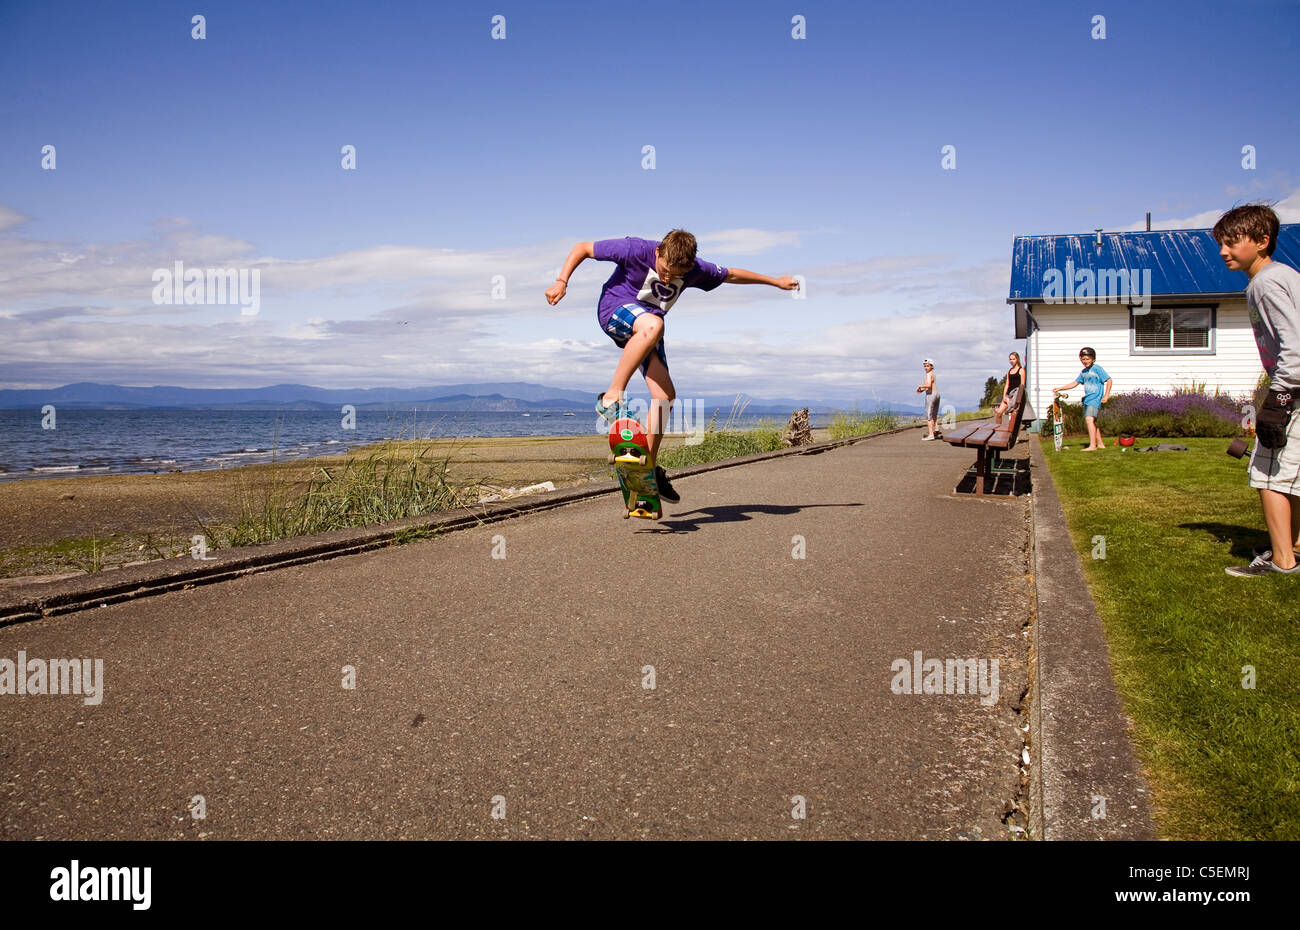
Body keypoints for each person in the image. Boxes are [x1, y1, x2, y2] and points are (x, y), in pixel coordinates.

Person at [545, 230, 798, 501]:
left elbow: (732, 274)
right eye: (664, 270)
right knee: (655, 324)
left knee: (665, 396)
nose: (667, 278)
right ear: (659, 253)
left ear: (689, 266)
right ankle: (611, 397)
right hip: (614, 313)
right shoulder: (634, 249)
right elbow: (582, 247)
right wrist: (562, 281)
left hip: (646, 333)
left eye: (675, 275)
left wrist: (775, 282)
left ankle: (647, 469)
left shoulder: (697, 269)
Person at [1213, 204, 1300, 577]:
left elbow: (1294, 344)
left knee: (1268, 475)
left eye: (1232, 243)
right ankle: (1293, 549)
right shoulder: (1284, 276)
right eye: (1221, 244)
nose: (1223, 252)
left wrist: (1278, 400)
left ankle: (1282, 563)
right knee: (1291, 474)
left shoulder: (1265, 283)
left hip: (1293, 390)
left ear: (1263, 241)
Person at [1052, 348, 1111, 450]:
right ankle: (1100, 444)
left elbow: (1109, 380)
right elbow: (1075, 383)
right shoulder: (1083, 372)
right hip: (1087, 399)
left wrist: (1106, 395)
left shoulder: (1097, 369)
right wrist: (1060, 388)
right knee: (1093, 422)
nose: (1085, 361)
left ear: (1093, 359)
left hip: (1095, 398)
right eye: (1083, 359)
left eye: (1088, 359)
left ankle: (1092, 446)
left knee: (1089, 419)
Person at [994, 351, 1025, 426]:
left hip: (1015, 396)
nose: (1011, 361)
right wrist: (1004, 396)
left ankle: (1012, 435)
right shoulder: (1009, 371)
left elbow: (1022, 385)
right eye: (1010, 359)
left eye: (1013, 359)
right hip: (1008, 395)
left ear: (1017, 359)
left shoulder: (1021, 370)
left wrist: (1018, 400)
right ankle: (998, 431)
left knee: (1012, 417)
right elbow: (1007, 384)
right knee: (999, 413)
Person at [915, 359, 940, 440]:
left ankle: (931, 435)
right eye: (925, 366)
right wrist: (922, 390)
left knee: (929, 416)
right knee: (934, 415)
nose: (926, 367)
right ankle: (936, 431)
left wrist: (920, 386)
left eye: (928, 366)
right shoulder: (933, 374)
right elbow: (930, 386)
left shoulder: (929, 374)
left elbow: (928, 385)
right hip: (936, 394)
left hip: (931, 396)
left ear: (932, 366)